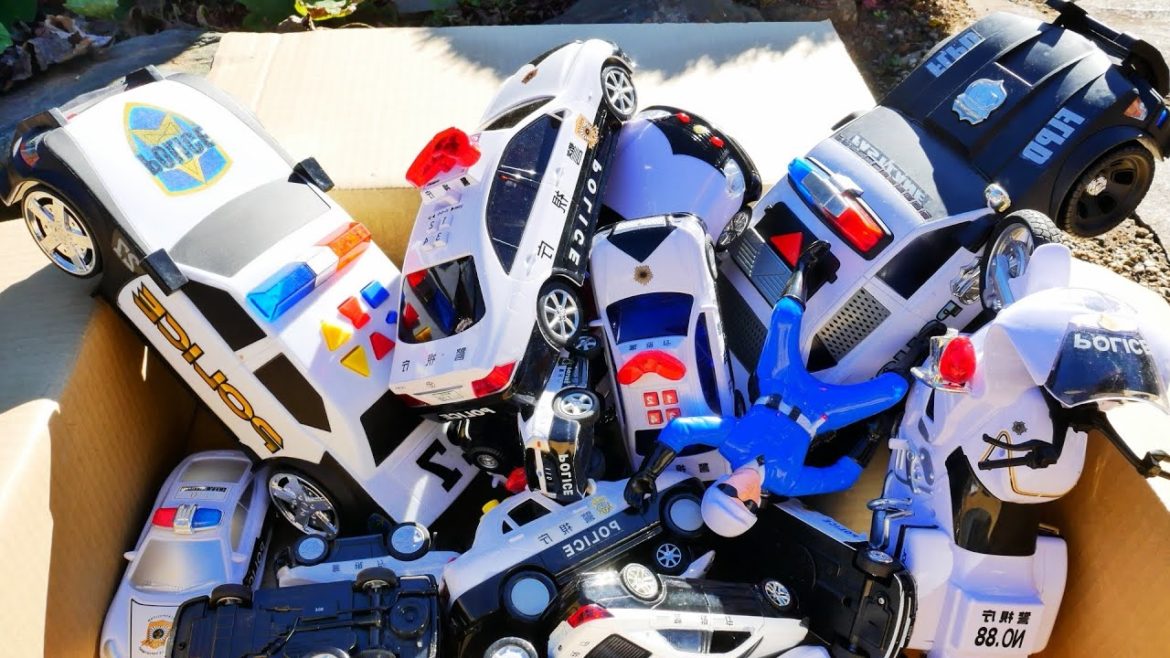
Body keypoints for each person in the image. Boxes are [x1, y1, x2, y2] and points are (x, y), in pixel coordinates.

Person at [624, 241, 909, 537]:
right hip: (822, 411)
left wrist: (648, 472)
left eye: (730, 492)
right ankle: (925, 347)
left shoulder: (732, 442)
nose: (745, 495)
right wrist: (871, 436)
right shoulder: (785, 481)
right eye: (748, 506)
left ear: (723, 480)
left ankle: (803, 266)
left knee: (784, 316)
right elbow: (838, 478)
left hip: (779, 384)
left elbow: (682, 429)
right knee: (893, 392)